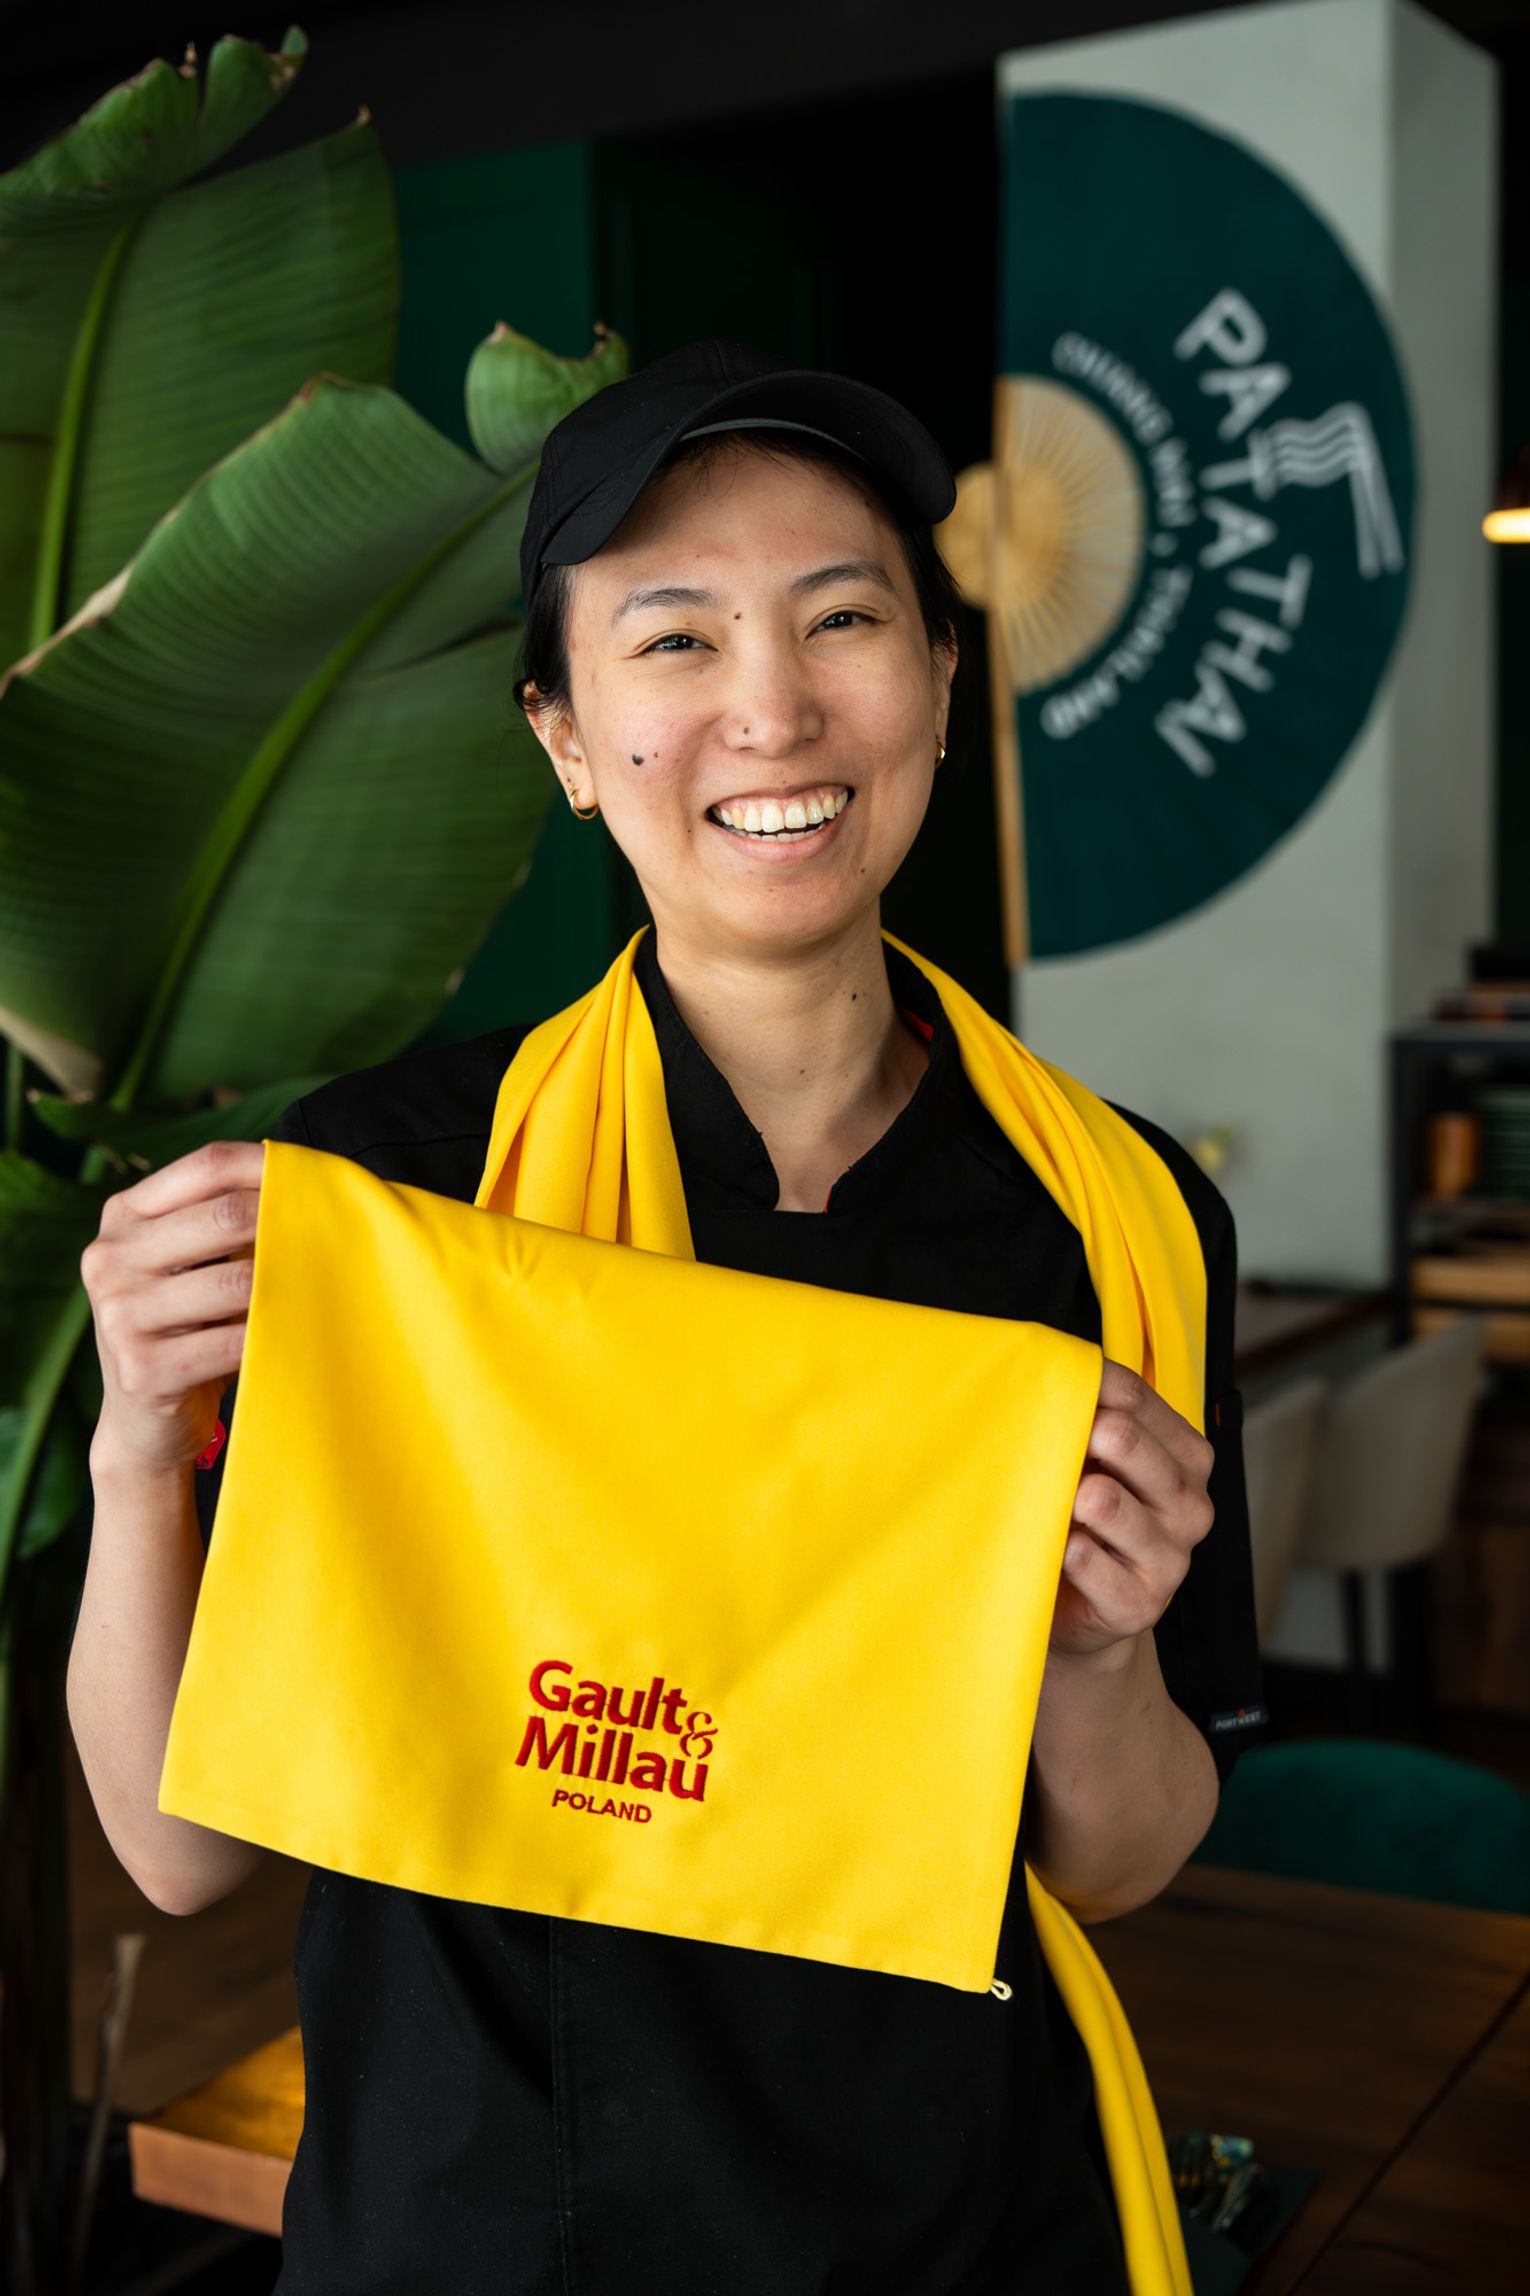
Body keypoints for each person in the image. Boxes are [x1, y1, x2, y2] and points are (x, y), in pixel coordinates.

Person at [70, 339, 1269, 2294]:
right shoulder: (396, 1195)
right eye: (675, 639)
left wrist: (1101, 1644)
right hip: (479, 2223)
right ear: (563, 734)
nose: (773, 709)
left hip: (955, 2222)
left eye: (843, 619)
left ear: (939, 683)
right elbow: (180, 1850)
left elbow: (1116, 1864)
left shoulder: (1115, 1214)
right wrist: (138, 1442)